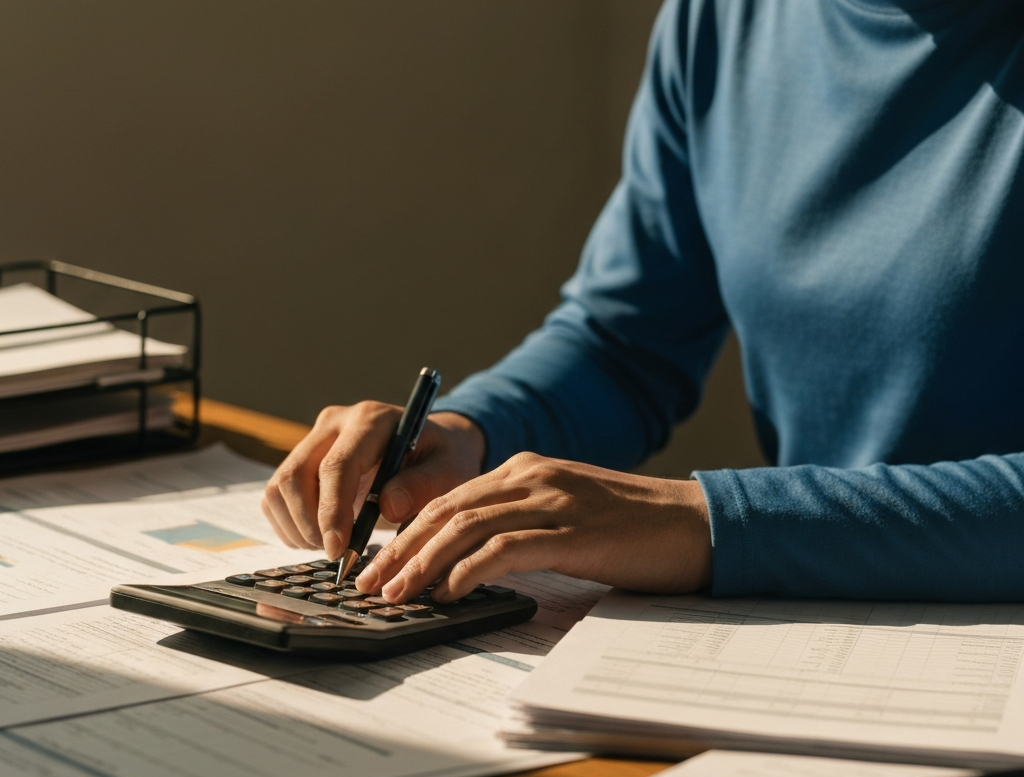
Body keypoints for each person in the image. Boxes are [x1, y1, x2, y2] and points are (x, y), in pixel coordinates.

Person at [262, 0, 1024, 605]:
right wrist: (470, 434)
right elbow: (624, 347)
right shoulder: (723, 18)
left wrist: (707, 523)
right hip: (822, 619)